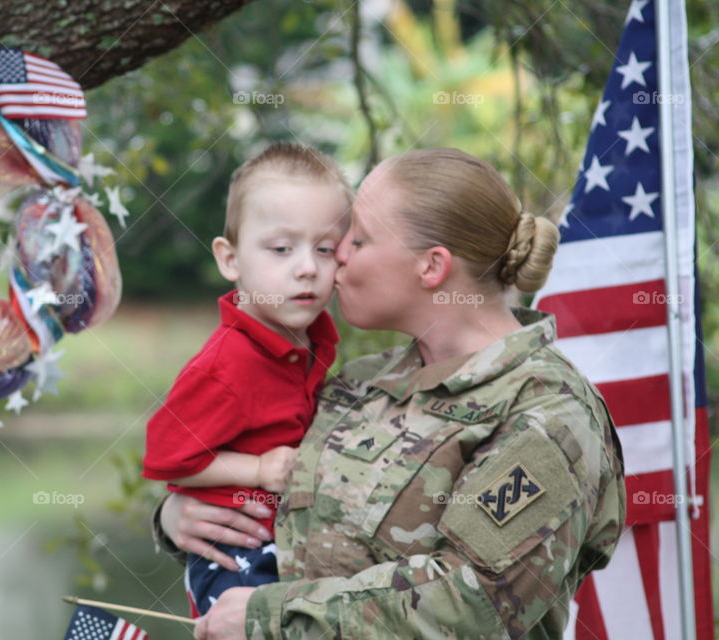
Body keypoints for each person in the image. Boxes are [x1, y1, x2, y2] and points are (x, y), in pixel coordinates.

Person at [153, 148, 626, 639]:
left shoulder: (544, 411)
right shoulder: (360, 383)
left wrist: (268, 617)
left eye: (356, 240)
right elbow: (279, 506)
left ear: (431, 267)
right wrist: (180, 517)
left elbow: (472, 604)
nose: (335, 256)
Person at [141, 142, 353, 617]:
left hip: (289, 543)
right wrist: (255, 471)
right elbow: (165, 456)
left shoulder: (309, 343)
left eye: (325, 249)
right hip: (237, 550)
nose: (307, 267)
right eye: (281, 249)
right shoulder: (229, 364)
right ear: (230, 259)